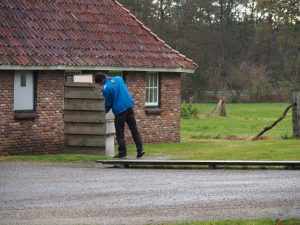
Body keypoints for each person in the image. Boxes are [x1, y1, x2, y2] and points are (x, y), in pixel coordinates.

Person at [94, 72, 145, 159]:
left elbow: (108, 103)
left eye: (100, 83)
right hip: (129, 107)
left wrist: (104, 111)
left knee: (120, 132)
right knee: (134, 130)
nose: (101, 85)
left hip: (120, 111)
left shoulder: (106, 88)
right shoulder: (118, 78)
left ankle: (122, 153)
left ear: (101, 81)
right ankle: (140, 150)